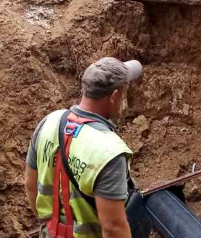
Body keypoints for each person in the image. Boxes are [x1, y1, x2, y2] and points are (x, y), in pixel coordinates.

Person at [25, 57, 142, 238]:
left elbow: (31, 186)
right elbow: (113, 228)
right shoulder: (109, 152)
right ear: (114, 97)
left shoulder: (48, 123)